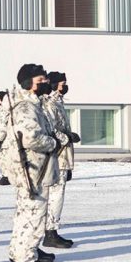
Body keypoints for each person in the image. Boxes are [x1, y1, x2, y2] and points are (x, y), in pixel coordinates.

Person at [0, 64, 61, 262]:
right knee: (32, 222)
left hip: (36, 171)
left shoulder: (35, 105)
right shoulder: (26, 107)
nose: (45, 82)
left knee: (26, 220)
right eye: (41, 79)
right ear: (29, 83)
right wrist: (54, 142)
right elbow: (31, 139)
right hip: (31, 173)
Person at [41, 71, 80, 249]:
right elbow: (51, 130)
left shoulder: (58, 102)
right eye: (62, 83)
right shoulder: (50, 104)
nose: (65, 86)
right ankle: (50, 232)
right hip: (55, 156)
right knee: (55, 195)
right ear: (56, 84)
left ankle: (51, 230)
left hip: (62, 156)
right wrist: (68, 137)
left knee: (57, 195)